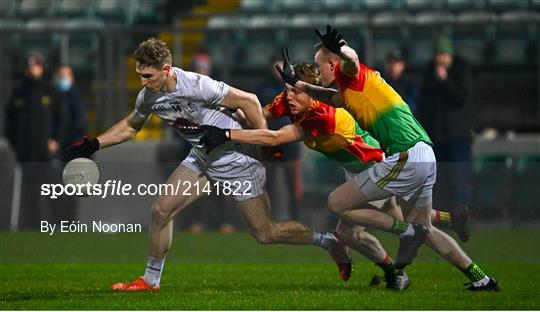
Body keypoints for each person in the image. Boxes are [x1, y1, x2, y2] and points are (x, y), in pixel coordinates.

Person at [63, 37, 350, 291]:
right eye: (139, 75)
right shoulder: (149, 95)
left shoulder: (198, 85)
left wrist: (261, 141)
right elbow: (131, 125)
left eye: (148, 75)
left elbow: (248, 100)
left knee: (265, 233)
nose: (143, 82)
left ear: (166, 70)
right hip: (201, 158)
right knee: (161, 210)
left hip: (237, 160)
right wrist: (95, 143)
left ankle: (328, 241)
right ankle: (150, 281)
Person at [200, 60, 471, 289]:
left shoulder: (323, 115)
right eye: (288, 91)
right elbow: (263, 113)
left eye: (297, 92)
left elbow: (274, 138)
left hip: (374, 166)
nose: (289, 98)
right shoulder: (293, 99)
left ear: (313, 93)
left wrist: (226, 133)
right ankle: (448, 225)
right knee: (393, 218)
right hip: (353, 172)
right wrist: (232, 112)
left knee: (354, 230)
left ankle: (399, 267)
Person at [274, 25, 498, 291]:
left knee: (336, 203)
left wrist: (342, 47)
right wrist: (297, 83)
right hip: (425, 153)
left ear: (333, 65)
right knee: (426, 229)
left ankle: (407, 233)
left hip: (405, 156)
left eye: (319, 65)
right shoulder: (346, 92)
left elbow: (352, 60)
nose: (317, 70)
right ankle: (481, 278)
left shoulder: (351, 75)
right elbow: (331, 97)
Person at [5, 51, 67, 229]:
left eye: (36, 65)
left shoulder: (50, 91)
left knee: (52, 190)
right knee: (30, 194)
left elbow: (61, 119)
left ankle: (60, 225)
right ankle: (33, 227)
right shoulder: (19, 94)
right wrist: (15, 144)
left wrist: (56, 140)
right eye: (30, 66)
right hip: (26, 153)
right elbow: (10, 122)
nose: (33, 70)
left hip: (46, 153)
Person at [418, 36, 473, 216]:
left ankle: (462, 217)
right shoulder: (430, 72)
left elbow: (460, 98)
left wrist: (445, 81)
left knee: (459, 179)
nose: (439, 59)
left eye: (443, 55)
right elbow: (425, 103)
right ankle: (444, 218)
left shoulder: (461, 71)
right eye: (437, 55)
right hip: (437, 136)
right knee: (439, 181)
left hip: (457, 136)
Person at [382, 49, 419, 115]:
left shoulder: (409, 86)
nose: (392, 66)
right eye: (390, 62)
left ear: (402, 65)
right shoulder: (381, 84)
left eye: (396, 62)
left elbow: (412, 108)